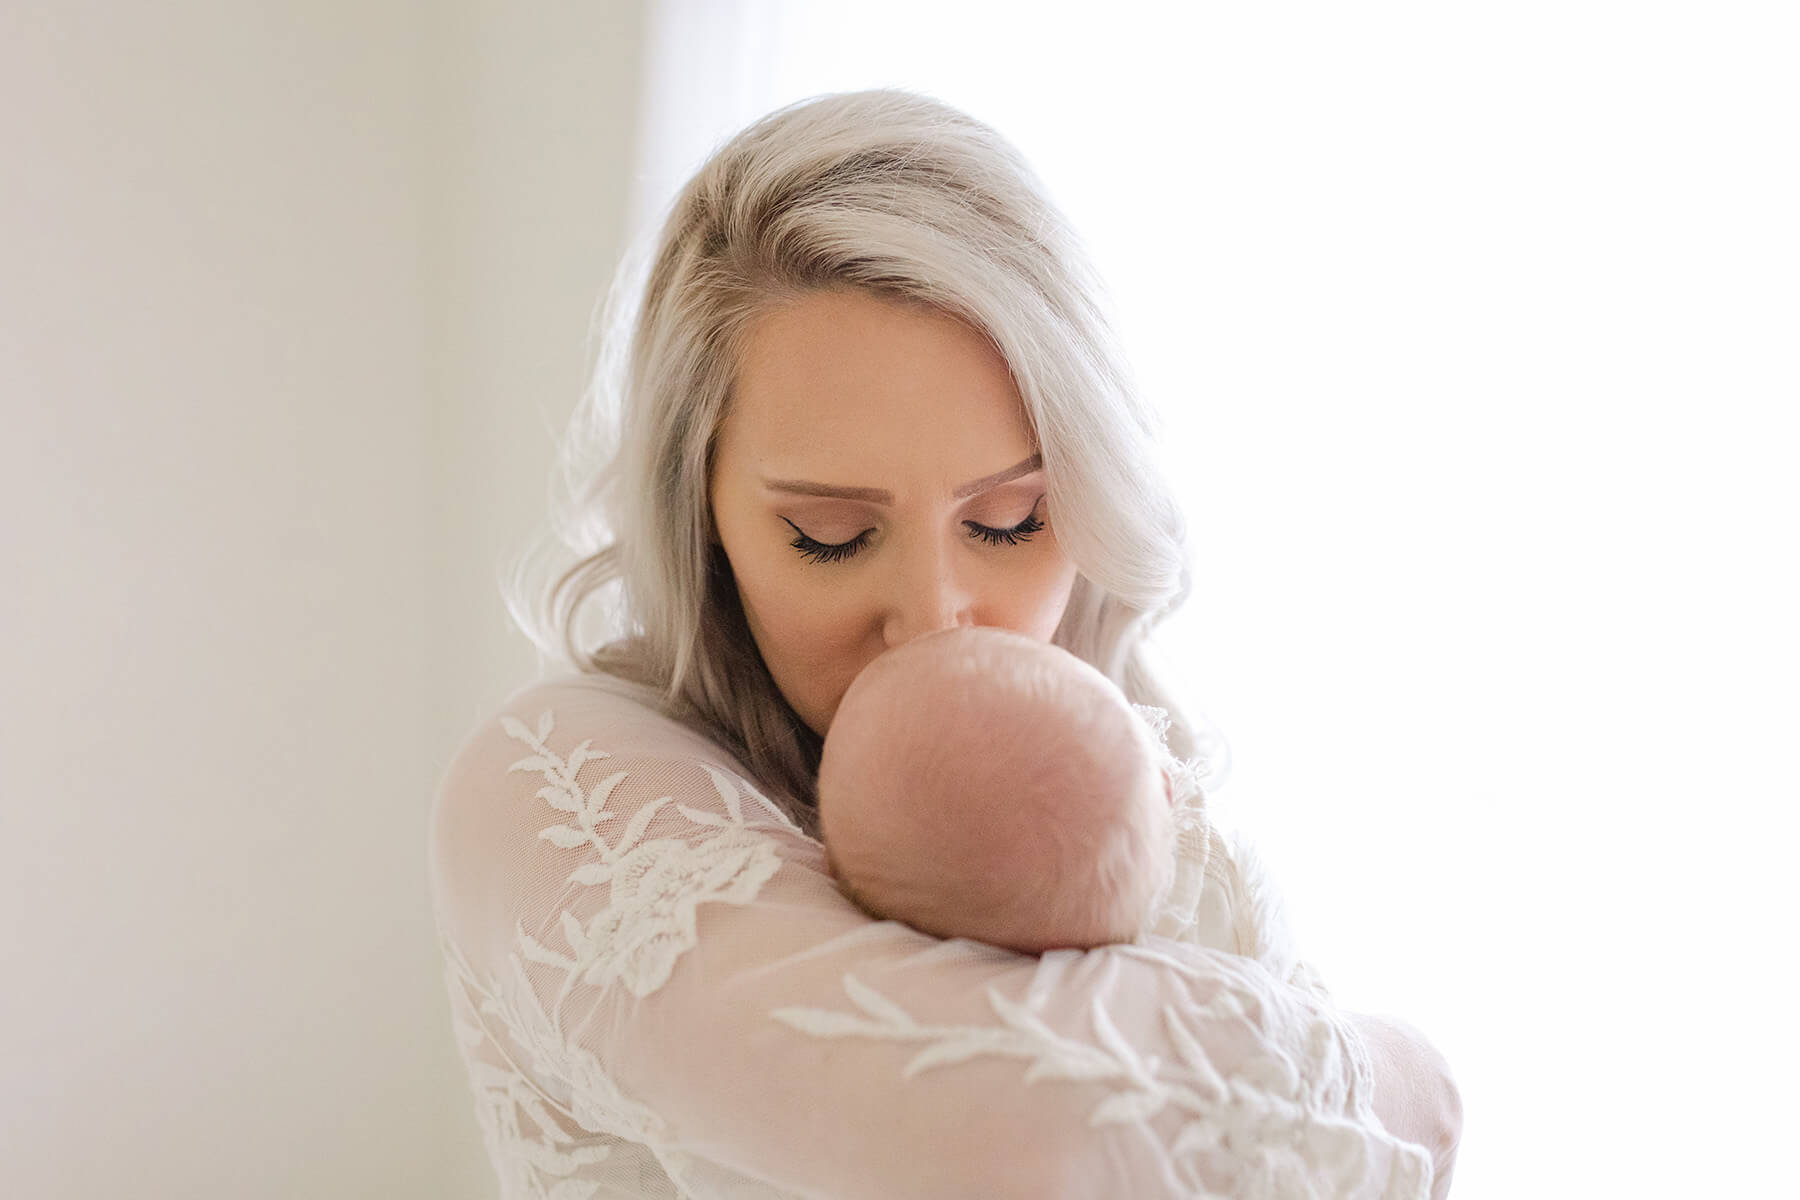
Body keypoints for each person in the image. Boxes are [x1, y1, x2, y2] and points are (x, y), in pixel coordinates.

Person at [429, 88, 1461, 1198]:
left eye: (1007, 521)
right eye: (830, 535)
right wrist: (1402, 1081)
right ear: (703, 519)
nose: (934, 617)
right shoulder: (556, 780)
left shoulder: (1150, 816)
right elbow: (1022, 1133)